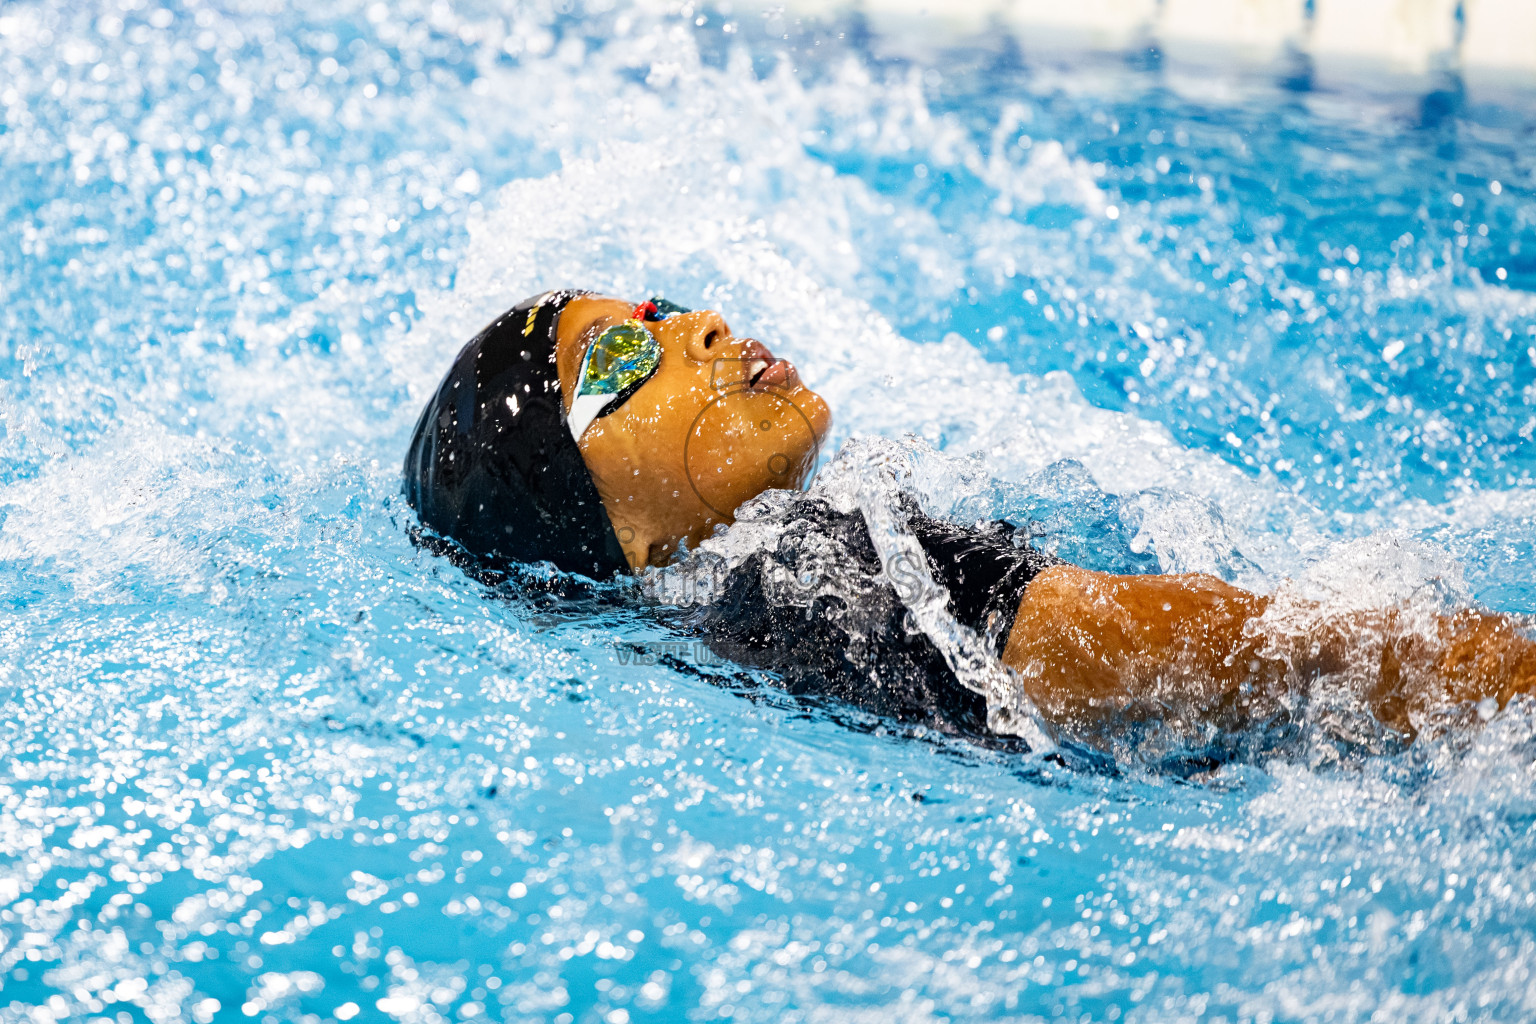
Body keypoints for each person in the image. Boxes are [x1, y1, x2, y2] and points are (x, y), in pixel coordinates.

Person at [403, 290, 1536, 756]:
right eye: (619, 359)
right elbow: (1271, 650)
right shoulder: (817, 570)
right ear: (619, 535)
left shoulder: (726, 634)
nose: (699, 323)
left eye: (656, 306)